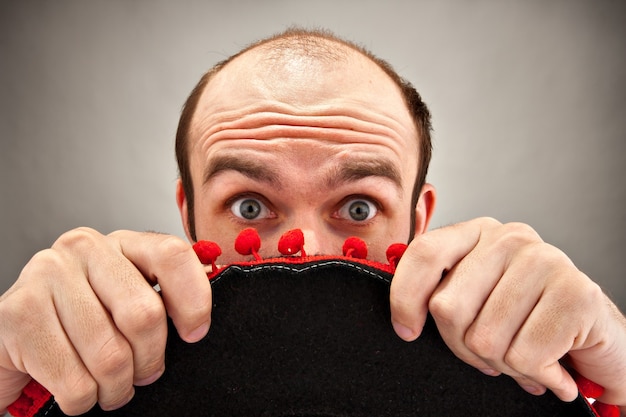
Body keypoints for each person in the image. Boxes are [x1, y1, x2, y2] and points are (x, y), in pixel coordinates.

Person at [1, 27, 625, 416]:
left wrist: (619, 370)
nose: (307, 252)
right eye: (250, 207)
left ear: (420, 220)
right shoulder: (72, 375)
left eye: (358, 208)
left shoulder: (526, 370)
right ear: (188, 216)